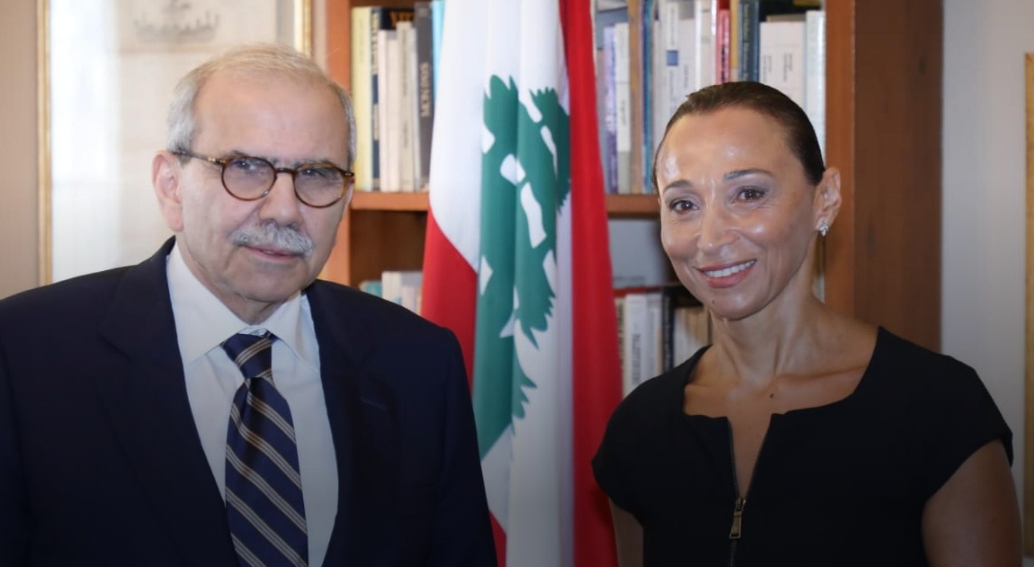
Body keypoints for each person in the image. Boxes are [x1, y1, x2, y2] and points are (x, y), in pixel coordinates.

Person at [0, 43, 495, 567]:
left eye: (316, 174)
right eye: (246, 167)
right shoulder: (25, 355)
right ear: (171, 187)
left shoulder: (419, 362)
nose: (284, 210)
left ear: (346, 197)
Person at [592, 81, 1020, 567]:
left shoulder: (939, 410)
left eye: (748, 194)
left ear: (825, 199)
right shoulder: (640, 430)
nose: (709, 240)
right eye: (683, 204)